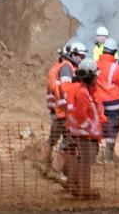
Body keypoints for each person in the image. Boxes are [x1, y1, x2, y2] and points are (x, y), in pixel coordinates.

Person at [64, 58, 103, 199]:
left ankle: (75, 185)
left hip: (83, 133)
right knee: (86, 160)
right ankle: (85, 190)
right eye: (95, 75)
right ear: (89, 76)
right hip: (84, 134)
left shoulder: (85, 91)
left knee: (81, 159)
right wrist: (90, 128)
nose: (97, 77)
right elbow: (80, 114)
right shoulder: (83, 93)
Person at [42, 43, 74, 178]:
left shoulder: (56, 68)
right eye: (81, 55)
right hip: (63, 111)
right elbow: (66, 90)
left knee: (53, 138)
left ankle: (44, 162)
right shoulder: (66, 69)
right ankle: (56, 169)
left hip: (56, 110)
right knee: (67, 140)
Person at [94, 38, 119, 163]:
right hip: (113, 103)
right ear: (114, 52)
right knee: (111, 131)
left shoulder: (94, 64)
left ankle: (95, 157)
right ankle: (108, 158)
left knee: (96, 129)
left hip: (97, 102)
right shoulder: (115, 67)